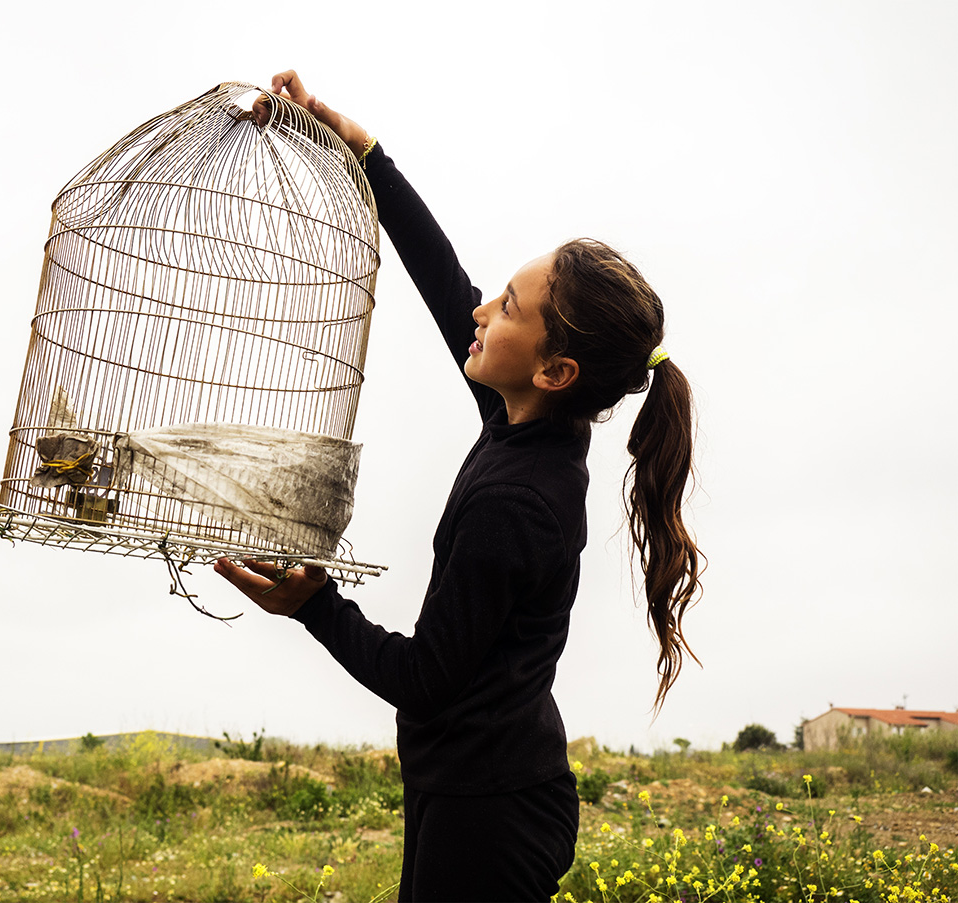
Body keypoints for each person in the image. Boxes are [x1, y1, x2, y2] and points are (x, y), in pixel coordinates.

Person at [215, 70, 703, 903]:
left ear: (556, 369)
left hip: (492, 817)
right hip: (478, 791)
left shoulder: (516, 501)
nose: (481, 311)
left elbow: (423, 677)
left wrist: (312, 605)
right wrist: (360, 150)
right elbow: (446, 282)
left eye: (507, 306)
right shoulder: (524, 422)